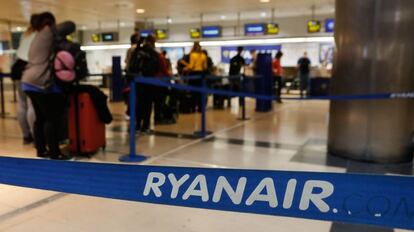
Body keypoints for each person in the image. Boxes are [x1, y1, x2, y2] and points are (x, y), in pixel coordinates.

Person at [21, 12, 73, 160]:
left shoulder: (35, 36)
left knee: (40, 119)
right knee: (51, 118)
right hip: (38, 81)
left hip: (28, 82)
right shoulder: (47, 32)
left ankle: (41, 150)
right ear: (49, 22)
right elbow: (70, 25)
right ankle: (55, 153)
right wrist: (53, 28)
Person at [11, 14, 38, 144]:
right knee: (32, 104)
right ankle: (35, 135)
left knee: (22, 104)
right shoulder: (41, 35)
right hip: (30, 70)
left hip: (17, 69)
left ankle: (26, 136)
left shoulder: (25, 34)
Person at [129, 35, 161, 134]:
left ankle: (137, 125)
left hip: (137, 81)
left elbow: (131, 65)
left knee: (138, 103)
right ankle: (145, 126)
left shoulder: (137, 51)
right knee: (147, 104)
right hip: (149, 81)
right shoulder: (154, 53)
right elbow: (157, 68)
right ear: (153, 42)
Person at [186, 42, 207, 112]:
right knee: (200, 92)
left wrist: (185, 68)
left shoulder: (192, 55)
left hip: (193, 74)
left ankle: (192, 108)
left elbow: (191, 66)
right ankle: (201, 108)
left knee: (193, 92)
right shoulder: (203, 55)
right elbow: (205, 67)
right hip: (201, 74)